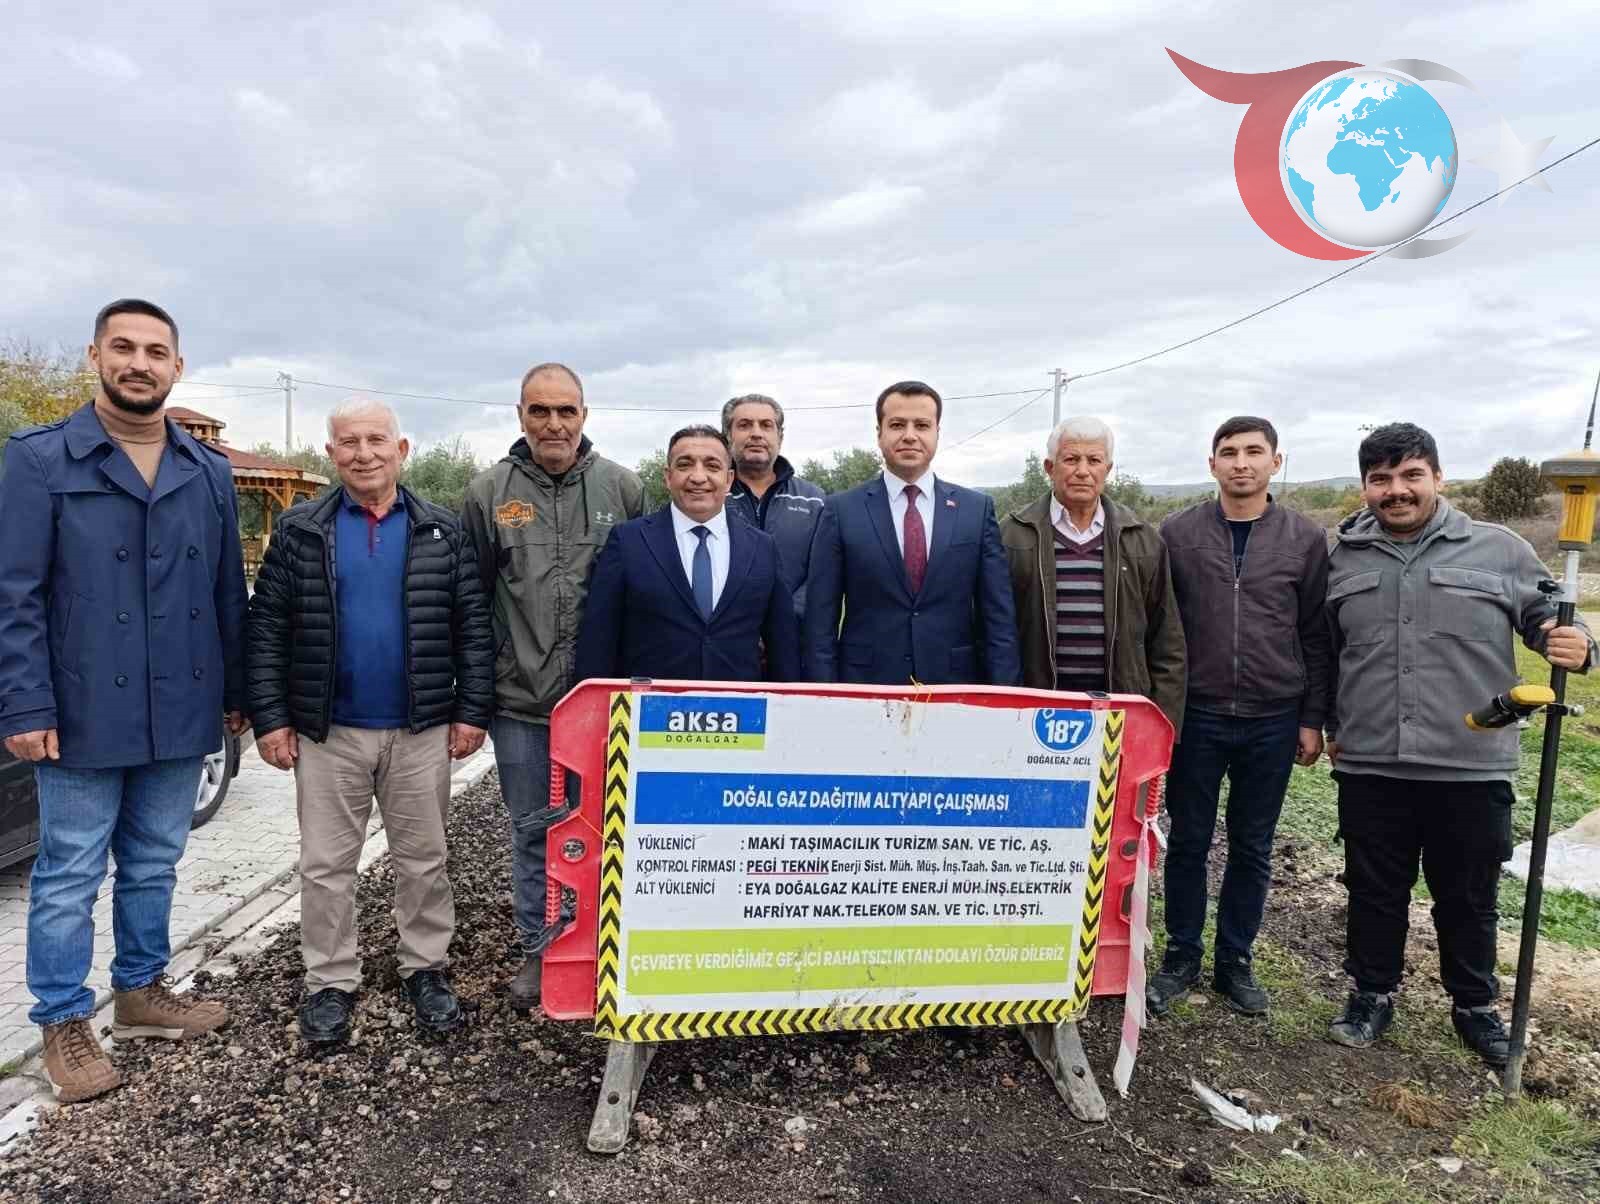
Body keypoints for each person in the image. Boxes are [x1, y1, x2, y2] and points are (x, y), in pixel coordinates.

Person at [0, 298, 247, 1103]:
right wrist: (24, 704)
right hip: (79, 710)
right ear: (96, 357)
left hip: (180, 704)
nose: (139, 363)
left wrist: (236, 693)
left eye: (155, 351)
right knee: (69, 871)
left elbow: (226, 592)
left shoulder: (207, 471)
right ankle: (63, 1020)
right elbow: (15, 595)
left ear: (177, 366)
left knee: (154, 860)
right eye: (124, 347)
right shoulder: (39, 459)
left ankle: (141, 991)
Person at [1323, 423, 1593, 1068]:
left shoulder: (1499, 550)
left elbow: (1549, 616)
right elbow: (1324, 653)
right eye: (1381, 479)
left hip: (1471, 761)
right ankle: (1371, 995)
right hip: (1371, 759)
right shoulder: (1340, 559)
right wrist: (1326, 724)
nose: (1397, 490)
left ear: (1438, 478)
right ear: (1365, 488)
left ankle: (1474, 1006)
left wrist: (1578, 642)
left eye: (1411, 475)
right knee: (1373, 891)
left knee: (1468, 897)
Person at [248, 399, 494, 1047]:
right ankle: (330, 979)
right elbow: (267, 629)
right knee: (326, 864)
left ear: (401, 449)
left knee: (425, 858)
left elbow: (473, 626)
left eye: (376, 440)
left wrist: (472, 710)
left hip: (421, 729)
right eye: (349, 442)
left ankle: (425, 967)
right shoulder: (300, 530)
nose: (364, 453)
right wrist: (270, 719)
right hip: (328, 732)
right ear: (331, 453)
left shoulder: (441, 530)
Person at [460, 362, 643, 1010]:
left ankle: (602, 951)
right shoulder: (488, 493)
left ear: (584, 415)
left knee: (608, 832)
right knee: (534, 831)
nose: (554, 423)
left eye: (566, 410)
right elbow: (471, 601)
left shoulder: (623, 488)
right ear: (520, 416)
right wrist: (475, 696)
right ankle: (540, 952)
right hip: (521, 704)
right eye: (540, 411)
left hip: (604, 704)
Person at [1148, 417, 1330, 1017]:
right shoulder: (1177, 534)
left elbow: (1315, 633)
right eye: (1229, 452)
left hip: (1272, 716)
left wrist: (1312, 717)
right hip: (1196, 715)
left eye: (1254, 452)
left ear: (1276, 462)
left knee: (1253, 844)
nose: (1241, 463)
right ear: (1212, 465)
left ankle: (1235, 960)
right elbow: (1160, 627)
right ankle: (1180, 956)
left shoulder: (1305, 539)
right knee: (1188, 840)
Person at [804, 382, 1021, 686]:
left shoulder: (976, 510)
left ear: (937, 433)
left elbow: (998, 617)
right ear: (879, 433)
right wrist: (824, 695)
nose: (909, 435)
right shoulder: (841, 510)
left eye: (921, 425)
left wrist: (1004, 695)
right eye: (897, 425)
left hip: (954, 685)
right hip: (865, 686)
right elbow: (820, 620)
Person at [574, 425, 801, 682]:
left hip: (738, 704)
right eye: (685, 465)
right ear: (668, 477)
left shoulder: (762, 548)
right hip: (650, 704)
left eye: (712, 466)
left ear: (729, 479)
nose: (698, 477)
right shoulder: (628, 542)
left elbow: (783, 647)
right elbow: (598, 641)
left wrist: (789, 702)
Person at [1000, 415, 1185, 723]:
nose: (1082, 471)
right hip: (1034, 713)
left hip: (1118, 714)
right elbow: (991, 631)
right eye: (1071, 459)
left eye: (1094, 460)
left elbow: (1167, 640)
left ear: (1107, 470)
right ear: (1050, 467)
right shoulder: (1012, 535)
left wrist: (1161, 723)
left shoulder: (1141, 539)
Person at [723, 394, 824, 620]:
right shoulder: (711, 496)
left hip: (795, 633)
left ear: (780, 436)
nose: (756, 433)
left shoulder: (814, 500)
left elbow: (823, 572)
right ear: (728, 435)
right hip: (727, 634)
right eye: (744, 425)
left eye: (766, 425)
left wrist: (783, 621)